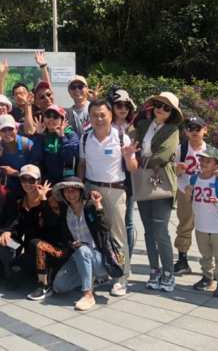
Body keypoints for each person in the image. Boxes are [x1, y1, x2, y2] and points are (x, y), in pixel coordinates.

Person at [77, 99, 137, 297]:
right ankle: (103, 271)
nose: (99, 119)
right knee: (95, 233)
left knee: (117, 235)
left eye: (103, 115)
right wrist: (81, 187)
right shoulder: (85, 138)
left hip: (115, 190)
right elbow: (83, 165)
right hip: (92, 188)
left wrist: (129, 156)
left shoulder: (121, 137)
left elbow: (132, 168)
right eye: (94, 115)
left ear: (111, 116)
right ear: (90, 117)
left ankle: (121, 278)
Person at [134, 91, 182, 293]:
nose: (161, 110)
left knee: (160, 229)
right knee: (147, 230)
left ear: (172, 113)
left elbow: (162, 156)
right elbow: (131, 137)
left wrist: (138, 160)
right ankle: (154, 270)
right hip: (143, 181)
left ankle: (168, 272)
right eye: (158, 105)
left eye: (166, 107)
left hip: (162, 182)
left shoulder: (172, 130)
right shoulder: (144, 125)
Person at [0, 165, 60, 300]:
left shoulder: (50, 198)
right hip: (28, 250)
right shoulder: (19, 200)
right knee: (4, 242)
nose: (27, 183)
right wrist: (7, 232)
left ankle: (44, 285)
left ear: (39, 181)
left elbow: (53, 224)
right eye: (24, 179)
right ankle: (13, 272)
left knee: (36, 243)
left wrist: (43, 201)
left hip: (51, 251)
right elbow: (15, 223)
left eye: (32, 180)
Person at [51, 178, 112, 311]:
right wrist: (71, 244)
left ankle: (88, 294)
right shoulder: (65, 211)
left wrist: (98, 206)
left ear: (80, 192)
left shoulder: (89, 207)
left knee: (83, 250)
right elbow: (64, 237)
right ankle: (90, 278)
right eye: (67, 191)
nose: (70, 194)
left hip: (97, 258)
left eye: (74, 190)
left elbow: (106, 228)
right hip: (77, 256)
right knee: (59, 286)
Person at [183, 146, 218, 298]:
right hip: (201, 225)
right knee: (205, 255)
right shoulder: (194, 179)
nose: (203, 163)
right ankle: (207, 277)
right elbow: (189, 199)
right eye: (202, 160)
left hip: (217, 227)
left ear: (217, 165)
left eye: (208, 161)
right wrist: (187, 193)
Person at [173, 115, 209, 276]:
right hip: (184, 192)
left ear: (205, 130)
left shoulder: (210, 151)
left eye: (198, 128)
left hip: (204, 194)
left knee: (206, 227)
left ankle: (209, 263)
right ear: (185, 132)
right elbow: (172, 170)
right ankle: (182, 259)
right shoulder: (181, 149)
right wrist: (178, 170)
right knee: (184, 225)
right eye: (190, 129)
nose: (194, 132)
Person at [109, 88, 138, 256]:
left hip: (129, 176)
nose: (123, 108)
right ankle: (112, 256)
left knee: (128, 220)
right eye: (118, 104)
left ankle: (127, 257)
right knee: (111, 220)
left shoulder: (134, 129)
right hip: (110, 176)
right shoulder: (105, 125)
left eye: (126, 105)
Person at [0, 114, 36, 195]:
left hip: (29, 189)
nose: (7, 133)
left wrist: (15, 173)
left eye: (10, 129)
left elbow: (37, 173)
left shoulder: (27, 144)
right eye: (3, 130)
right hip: (9, 191)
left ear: (16, 129)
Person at [34, 105, 79, 185]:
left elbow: (68, 157)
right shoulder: (41, 134)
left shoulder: (70, 134)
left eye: (55, 117)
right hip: (47, 180)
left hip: (66, 180)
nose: (51, 119)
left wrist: (62, 137)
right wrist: (39, 137)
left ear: (63, 120)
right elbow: (36, 157)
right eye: (48, 116)